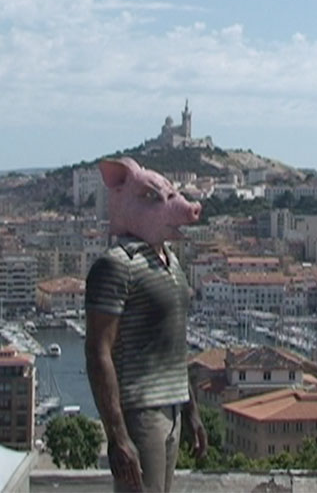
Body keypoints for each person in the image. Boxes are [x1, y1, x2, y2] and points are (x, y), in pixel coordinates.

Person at [85, 157, 207, 492]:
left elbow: (173, 343)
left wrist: (190, 409)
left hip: (172, 408)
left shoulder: (171, 261)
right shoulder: (116, 265)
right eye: (155, 198)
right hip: (139, 411)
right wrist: (117, 435)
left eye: (172, 196)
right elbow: (98, 352)